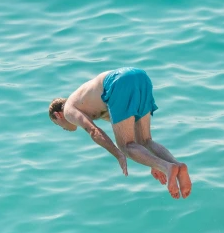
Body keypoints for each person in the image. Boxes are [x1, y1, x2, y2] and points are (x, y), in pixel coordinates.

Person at [49, 67, 192, 199]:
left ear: (58, 115)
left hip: (117, 83)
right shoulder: (89, 102)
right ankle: (177, 165)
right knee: (145, 141)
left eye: (57, 124)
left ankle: (168, 167)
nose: (63, 128)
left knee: (125, 146)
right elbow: (133, 134)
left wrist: (119, 154)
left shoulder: (68, 110)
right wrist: (152, 164)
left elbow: (93, 131)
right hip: (140, 77)